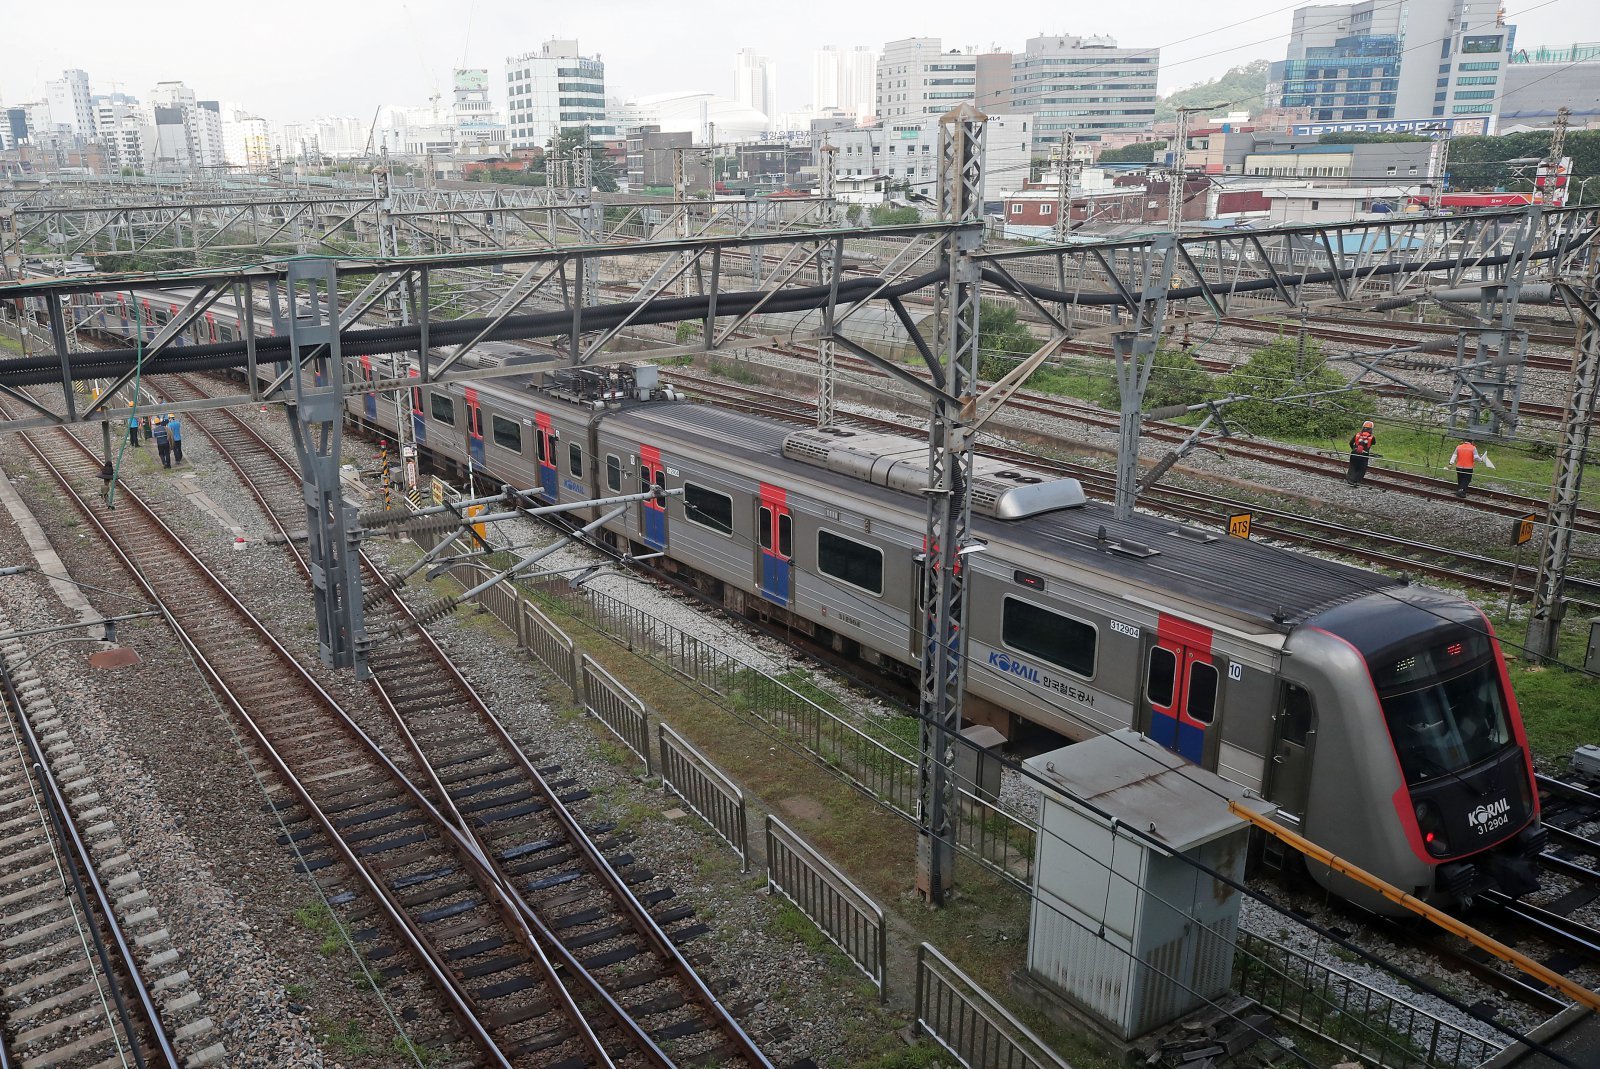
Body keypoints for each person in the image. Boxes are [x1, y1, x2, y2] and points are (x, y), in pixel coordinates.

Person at [1347, 420, 1376, 485]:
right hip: (1364, 455)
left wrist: (1354, 450)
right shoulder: (1372, 437)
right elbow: (1374, 443)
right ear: (1371, 429)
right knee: (1361, 469)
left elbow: (1351, 443)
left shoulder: (1357, 435)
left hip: (1354, 453)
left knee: (1353, 466)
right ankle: (1357, 482)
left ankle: (1350, 480)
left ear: (1363, 428)